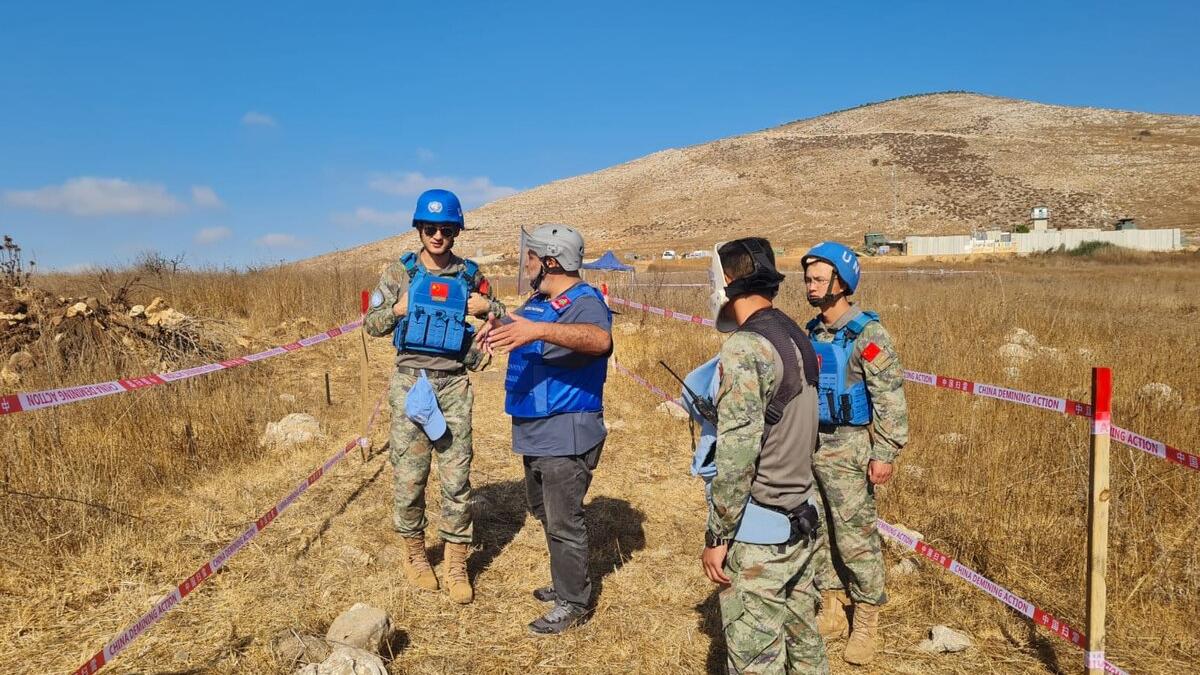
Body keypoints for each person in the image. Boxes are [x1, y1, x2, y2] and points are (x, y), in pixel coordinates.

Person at [363, 188, 503, 605]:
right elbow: (372, 324)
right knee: (410, 477)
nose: (437, 235)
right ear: (419, 229)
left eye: (445, 228)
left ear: (456, 230)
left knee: (456, 479)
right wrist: (400, 310)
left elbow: (500, 316)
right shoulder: (398, 273)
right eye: (430, 228)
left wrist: (488, 305)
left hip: (454, 384)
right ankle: (415, 554)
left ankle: (456, 561)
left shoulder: (469, 275)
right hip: (410, 382)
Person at [699, 237, 828, 674]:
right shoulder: (794, 334)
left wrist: (717, 537)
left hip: (760, 534)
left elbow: (736, 456)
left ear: (727, 280)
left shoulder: (745, 347)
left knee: (755, 662)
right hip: (802, 519)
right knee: (805, 645)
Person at [482, 224, 613, 635]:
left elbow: (598, 339)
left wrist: (535, 331)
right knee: (543, 512)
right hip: (536, 428)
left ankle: (573, 602)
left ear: (551, 261)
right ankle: (565, 581)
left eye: (531, 259)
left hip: (566, 429)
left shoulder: (585, 302)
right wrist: (497, 323)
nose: (526, 266)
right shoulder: (540, 300)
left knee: (563, 521)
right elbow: (524, 327)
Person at [801, 241, 908, 665]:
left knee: (855, 536)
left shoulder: (868, 334)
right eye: (807, 278)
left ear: (841, 283)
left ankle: (866, 619)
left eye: (818, 278)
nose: (809, 285)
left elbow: (891, 398)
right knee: (819, 528)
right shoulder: (812, 332)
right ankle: (831, 606)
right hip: (812, 444)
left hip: (849, 447)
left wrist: (885, 451)